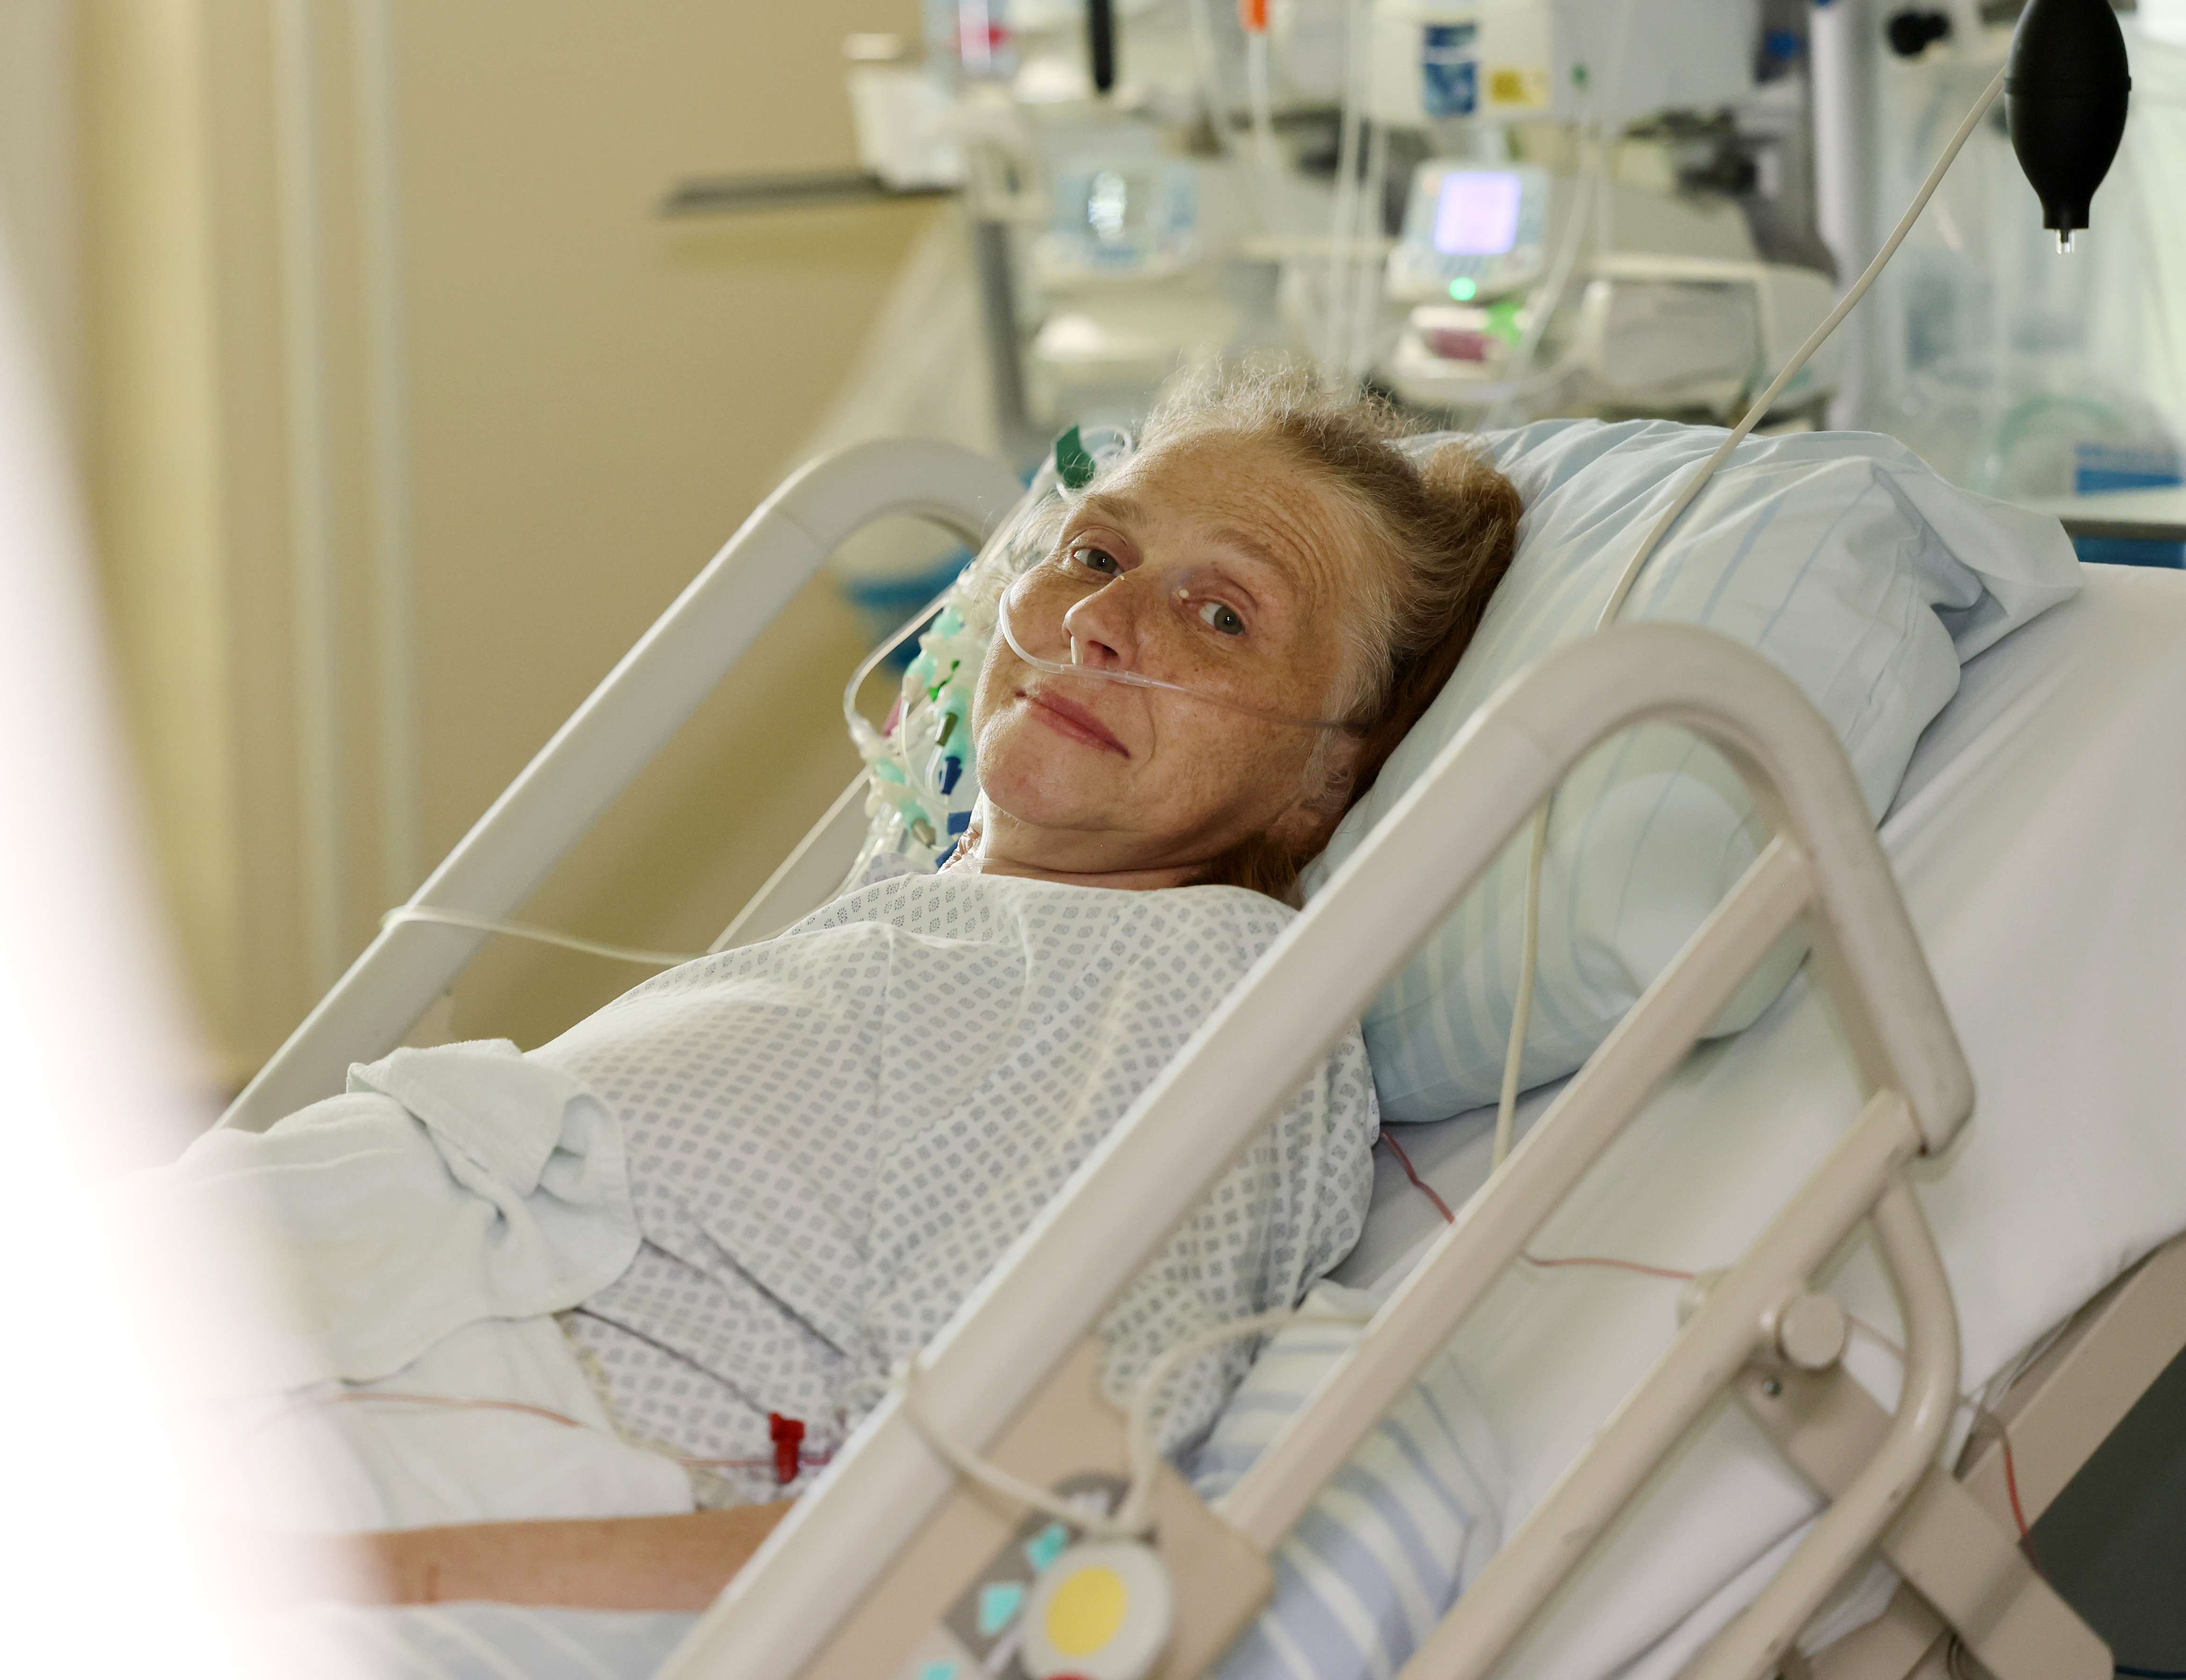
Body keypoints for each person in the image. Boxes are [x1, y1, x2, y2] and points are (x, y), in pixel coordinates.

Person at [268, 362, 1521, 1609]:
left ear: (1328, 781)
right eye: (1095, 555)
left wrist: (331, 1581)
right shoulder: (938, 928)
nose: (1100, 617)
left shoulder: (1204, 978)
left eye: (1224, 616)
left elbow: (990, 1525)